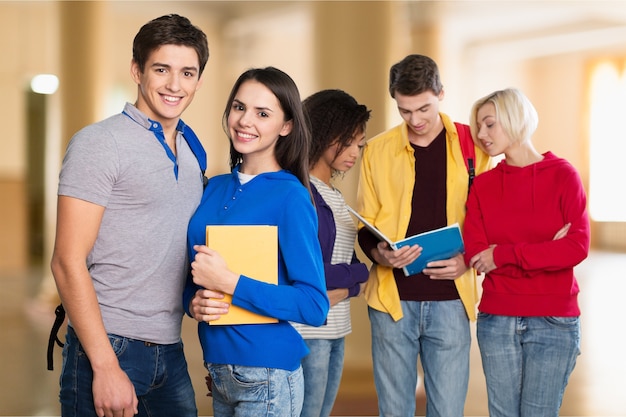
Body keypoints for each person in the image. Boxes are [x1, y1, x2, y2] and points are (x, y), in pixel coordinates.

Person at [50, 14, 213, 417]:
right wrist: (105, 365)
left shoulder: (193, 150)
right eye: (162, 69)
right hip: (108, 345)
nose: (175, 85)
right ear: (137, 71)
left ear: (198, 80)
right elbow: (67, 262)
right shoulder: (99, 144)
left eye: (187, 72)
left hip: (171, 350)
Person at [184, 67, 330, 417]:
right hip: (219, 370)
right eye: (239, 107)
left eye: (262, 113)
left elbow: (314, 305)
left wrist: (230, 282)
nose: (245, 120)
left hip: (268, 376)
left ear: (286, 126)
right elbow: (193, 274)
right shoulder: (214, 187)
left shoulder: (291, 196)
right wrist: (194, 304)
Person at [355, 54, 492, 417]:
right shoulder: (378, 151)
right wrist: (382, 255)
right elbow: (364, 226)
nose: (415, 120)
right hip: (391, 303)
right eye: (404, 111)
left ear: (442, 94)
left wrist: (467, 260)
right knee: (394, 410)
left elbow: (489, 219)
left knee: (447, 411)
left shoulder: (473, 146)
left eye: (424, 109)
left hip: (451, 301)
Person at [463, 87, 590, 417]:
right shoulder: (483, 185)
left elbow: (576, 247)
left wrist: (502, 254)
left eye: (490, 124)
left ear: (514, 118)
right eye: (479, 126)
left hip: (554, 321)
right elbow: (477, 255)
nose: (481, 134)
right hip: (497, 318)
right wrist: (547, 249)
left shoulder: (564, 176)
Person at [291, 89, 371, 417]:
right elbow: (311, 271)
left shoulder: (334, 195)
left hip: (336, 327)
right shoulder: (300, 191)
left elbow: (345, 262)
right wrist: (361, 275)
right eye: (348, 141)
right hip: (309, 330)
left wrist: (352, 280)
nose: (355, 152)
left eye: (360, 145)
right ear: (323, 131)